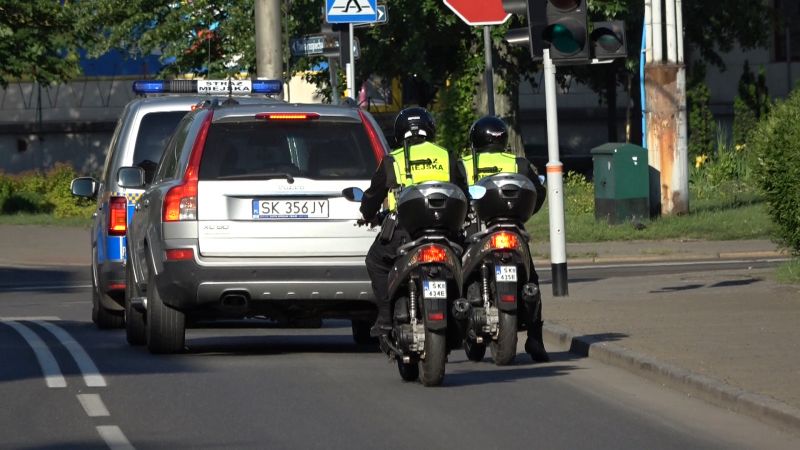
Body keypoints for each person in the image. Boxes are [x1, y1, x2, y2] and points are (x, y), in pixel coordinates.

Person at [360, 107, 469, 337]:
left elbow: (373, 195)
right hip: (445, 232)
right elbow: (463, 192)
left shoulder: (393, 160)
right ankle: (462, 309)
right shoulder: (445, 155)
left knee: (376, 262)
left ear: (400, 133)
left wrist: (367, 214)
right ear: (430, 130)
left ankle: (385, 318)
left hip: (405, 233)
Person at [461, 115, 550, 362]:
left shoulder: (464, 164)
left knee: (460, 275)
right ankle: (535, 339)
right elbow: (538, 193)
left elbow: (455, 197)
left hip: (477, 233)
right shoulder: (517, 163)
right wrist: (524, 215)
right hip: (513, 231)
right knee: (531, 280)